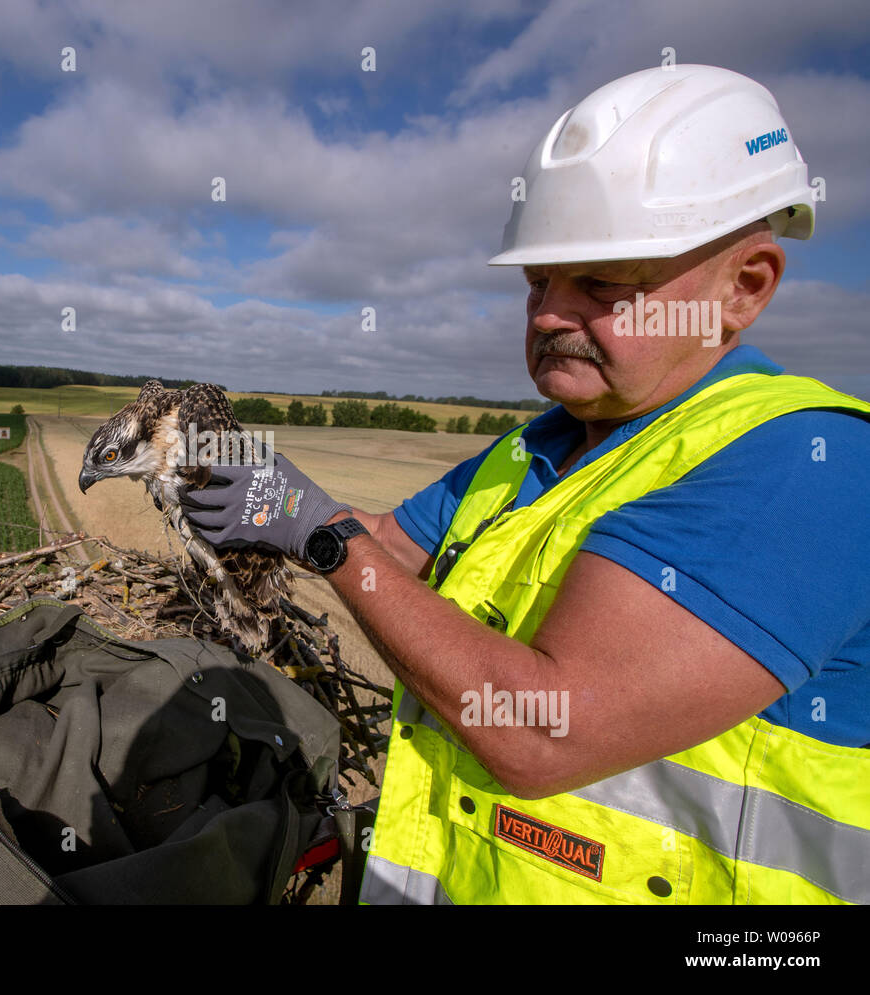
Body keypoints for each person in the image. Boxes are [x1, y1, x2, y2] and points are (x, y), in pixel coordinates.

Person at [181, 64, 870, 904]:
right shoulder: (539, 447)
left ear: (744, 287)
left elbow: (543, 732)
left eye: (601, 286)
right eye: (538, 282)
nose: (547, 314)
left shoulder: (801, 467)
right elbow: (388, 550)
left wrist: (322, 533)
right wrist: (245, 471)